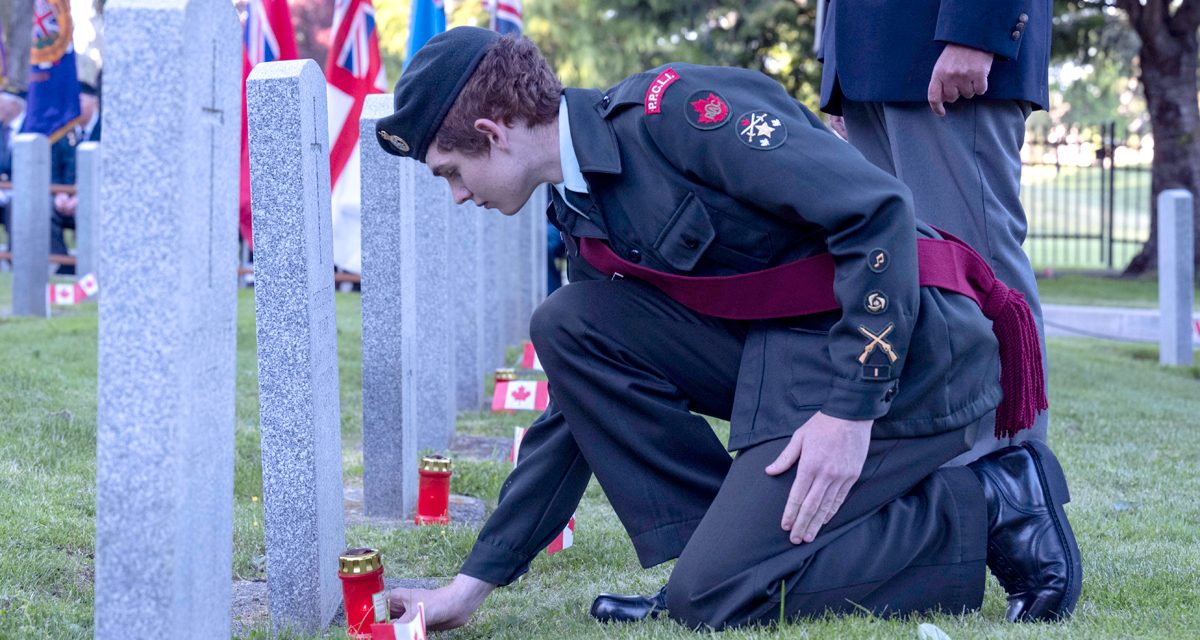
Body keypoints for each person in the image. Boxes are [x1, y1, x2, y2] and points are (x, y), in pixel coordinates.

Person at [374, 27, 1079, 631]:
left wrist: (849, 409)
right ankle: (728, 553)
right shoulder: (580, 208)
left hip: (909, 350)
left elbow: (877, 211)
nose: (459, 195)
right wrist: (473, 585)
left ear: (492, 134)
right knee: (567, 323)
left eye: (450, 171)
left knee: (709, 597)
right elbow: (578, 406)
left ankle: (989, 502)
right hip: (787, 353)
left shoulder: (676, 114)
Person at [818, 0, 1052, 461]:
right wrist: (839, 65)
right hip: (871, 60)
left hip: (948, 50)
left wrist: (978, 29)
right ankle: (931, 473)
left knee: (978, 270)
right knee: (901, 275)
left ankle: (1009, 480)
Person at [49, 80, 102, 274]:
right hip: (65, 196)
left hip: (95, 196)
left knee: (89, 209)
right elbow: (54, 168)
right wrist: (59, 194)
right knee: (43, 209)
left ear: (93, 101)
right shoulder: (65, 133)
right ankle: (64, 264)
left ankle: (90, 265)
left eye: (79, 101)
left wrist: (82, 196)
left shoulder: (106, 130)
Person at [0, 89, 26, 249]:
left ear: (14, 104)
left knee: (16, 207)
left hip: (23, 189)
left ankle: (15, 257)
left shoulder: (33, 126)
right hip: (2, 190)